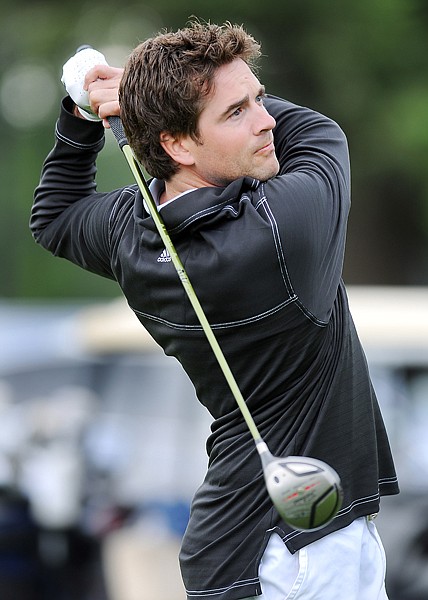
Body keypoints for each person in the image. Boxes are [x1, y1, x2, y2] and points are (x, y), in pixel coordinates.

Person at [31, 21, 399, 600]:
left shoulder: (133, 230)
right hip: (295, 551)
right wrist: (135, 90)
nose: (266, 119)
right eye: (236, 112)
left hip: (247, 545)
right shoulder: (281, 230)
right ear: (176, 144)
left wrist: (86, 117)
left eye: (258, 97)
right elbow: (320, 131)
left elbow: (54, 216)